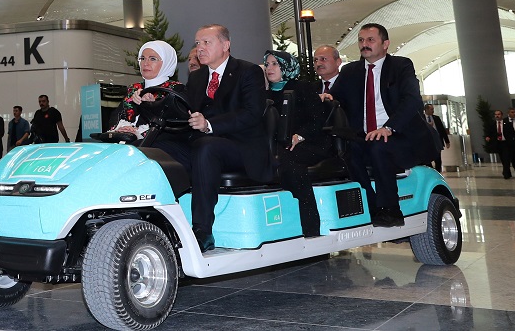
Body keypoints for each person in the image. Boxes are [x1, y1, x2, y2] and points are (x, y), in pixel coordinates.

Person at [149, 24, 269, 252]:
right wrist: (150, 107)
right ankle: (159, 220)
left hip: (241, 147)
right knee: (160, 148)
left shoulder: (248, 71)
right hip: (204, 143)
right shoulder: (197, 78)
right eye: (197, 43)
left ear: (225, 45)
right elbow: (183, 113)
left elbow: (251, 114)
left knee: (206, 147)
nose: (200, 48)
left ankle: (202, 230)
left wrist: (210, 125)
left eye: (206, 42)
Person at [331, 23, 436, 228]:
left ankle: (391, 210)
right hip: (364, 135)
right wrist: (328, 98)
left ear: (385, 44)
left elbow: (412, 100)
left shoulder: (401, 66)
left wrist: (388, 127)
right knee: (348, 152)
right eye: (361, 40)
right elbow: (336, 97)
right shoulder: (350, 71)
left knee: (379, 147)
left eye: (370, 40)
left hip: (398, 135)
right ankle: (372, 205)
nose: (364, 44)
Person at [265, 50, 333, 238]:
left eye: (275, 64)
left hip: (310, 143)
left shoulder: (302, 88)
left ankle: (310, 229)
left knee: (290, 163)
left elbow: (317, 121)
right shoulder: (267, 94)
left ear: (287, 67)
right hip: (279, 146)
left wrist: (299, 136)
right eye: (268, 64)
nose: (269, 68)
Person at [108, 40, 183, 141]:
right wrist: (122, 128)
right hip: (127, 140)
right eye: (142, 58)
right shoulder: (134, 88)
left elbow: (172, 123)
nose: (146, 63)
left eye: (152, 59)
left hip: (157, 144)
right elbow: (117, 115)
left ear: (166, 62)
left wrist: (151, 106)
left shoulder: (175, 89)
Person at [485, 109, 515, 179]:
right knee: (503, 159)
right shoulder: (492, 124)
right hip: (498, 143)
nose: (497, 116)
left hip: (506, 143)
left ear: (502, 115)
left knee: (506, 158)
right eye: (496, 114)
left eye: (498, 114)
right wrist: (488, 137)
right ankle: (507, 172)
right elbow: (489, 133)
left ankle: (506, 173)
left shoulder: (507, 123)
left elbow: (513, 134)